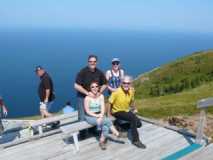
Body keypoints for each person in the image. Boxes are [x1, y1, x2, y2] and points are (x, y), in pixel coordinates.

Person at [108, 75, 146, 149]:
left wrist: (134, 108)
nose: (126, 84)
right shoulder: (116, 91)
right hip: (117, 111)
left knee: (139, 124)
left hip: (126, 110)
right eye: (124, 83)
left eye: (128, 83)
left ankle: (120, 126)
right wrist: (109, 114)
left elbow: (132, 101)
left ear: (130, 84)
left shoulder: (131, 91)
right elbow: (109, 103)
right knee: (132, 118)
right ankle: (136, 140)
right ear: (121, 83)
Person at [84, 81, 119, 150]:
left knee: (105, 127)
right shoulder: (87, 98)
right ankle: (116, 133)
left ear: (99, 87)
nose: (95, 88)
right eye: (92, 87)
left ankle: (101, 141)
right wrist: (98, 116)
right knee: (107, 120)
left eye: (96, 86)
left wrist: (100, 116)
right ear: (90, 88)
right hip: (90, 117)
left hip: (100, 114)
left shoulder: (101, 96)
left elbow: (103, 108)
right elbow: (87, 111)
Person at [74, 55, 107, 121]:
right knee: (82, 116)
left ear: (97, 62)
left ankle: (93, 130)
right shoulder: (83, 72)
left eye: (94, 61)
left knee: (95, 114)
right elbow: (76, 86)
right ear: (88, 62)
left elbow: (105, 84)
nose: (92, 63)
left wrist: (99, 92)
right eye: (91, 61)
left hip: (95, 97)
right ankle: (83, 131)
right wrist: (87, 93)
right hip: (82, 97)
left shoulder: (99, 72)